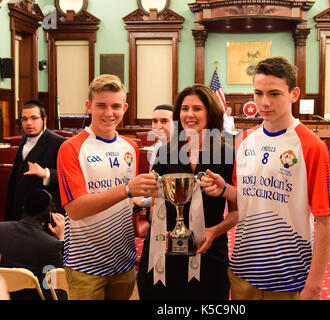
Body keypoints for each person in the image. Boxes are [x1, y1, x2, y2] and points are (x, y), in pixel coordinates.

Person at [202, 57, 330, 300]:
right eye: (258, 93)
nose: (264, 102)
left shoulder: (311, 146)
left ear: (293, 94)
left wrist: (315, 284)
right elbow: (246, 200)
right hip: (243, 270)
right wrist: (225, 190)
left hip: (289, 276)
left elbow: (325, 220)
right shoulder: (243, 140)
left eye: (274, 93)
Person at [57, 74, 158, 300]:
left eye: (115, 106)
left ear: (125, 107)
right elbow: (75, 209)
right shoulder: (71, 148)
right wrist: (127, 189)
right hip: (85, 263)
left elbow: (128, 199)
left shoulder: (131, 147)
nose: (109, 113)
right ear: (89, 106)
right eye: (101, 105)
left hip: (123, 259)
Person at [137, 84, 238, 300]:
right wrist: (159, 234)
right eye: (184, 108)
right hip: (164, 246)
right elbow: (155, 203)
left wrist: (215, 232)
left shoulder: (228, 152)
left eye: (197, 108)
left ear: (210, 113)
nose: (189, 115)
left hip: (209, 249)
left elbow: (237, 211)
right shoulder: (166, 151)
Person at [5, 99, 66, 221]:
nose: (29, 123)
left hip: (43, 215)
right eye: (25, 119)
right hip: (20, 213)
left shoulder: (60, 143)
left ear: (44, 120)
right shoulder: (23, 139)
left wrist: (46, 173)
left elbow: (68, 177)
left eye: (34, 118)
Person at [0, 189, 65, 300]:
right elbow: (54, 288)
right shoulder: (51, 245)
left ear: (23, 208)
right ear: (49, 215)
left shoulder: (1, 228)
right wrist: (62, 240)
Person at [133, 104, 173, 211]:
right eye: (155, 121)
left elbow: (172, 194)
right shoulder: (158, 146)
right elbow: (154, 182)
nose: (158, 126)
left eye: (164, 121)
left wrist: (142, 202)